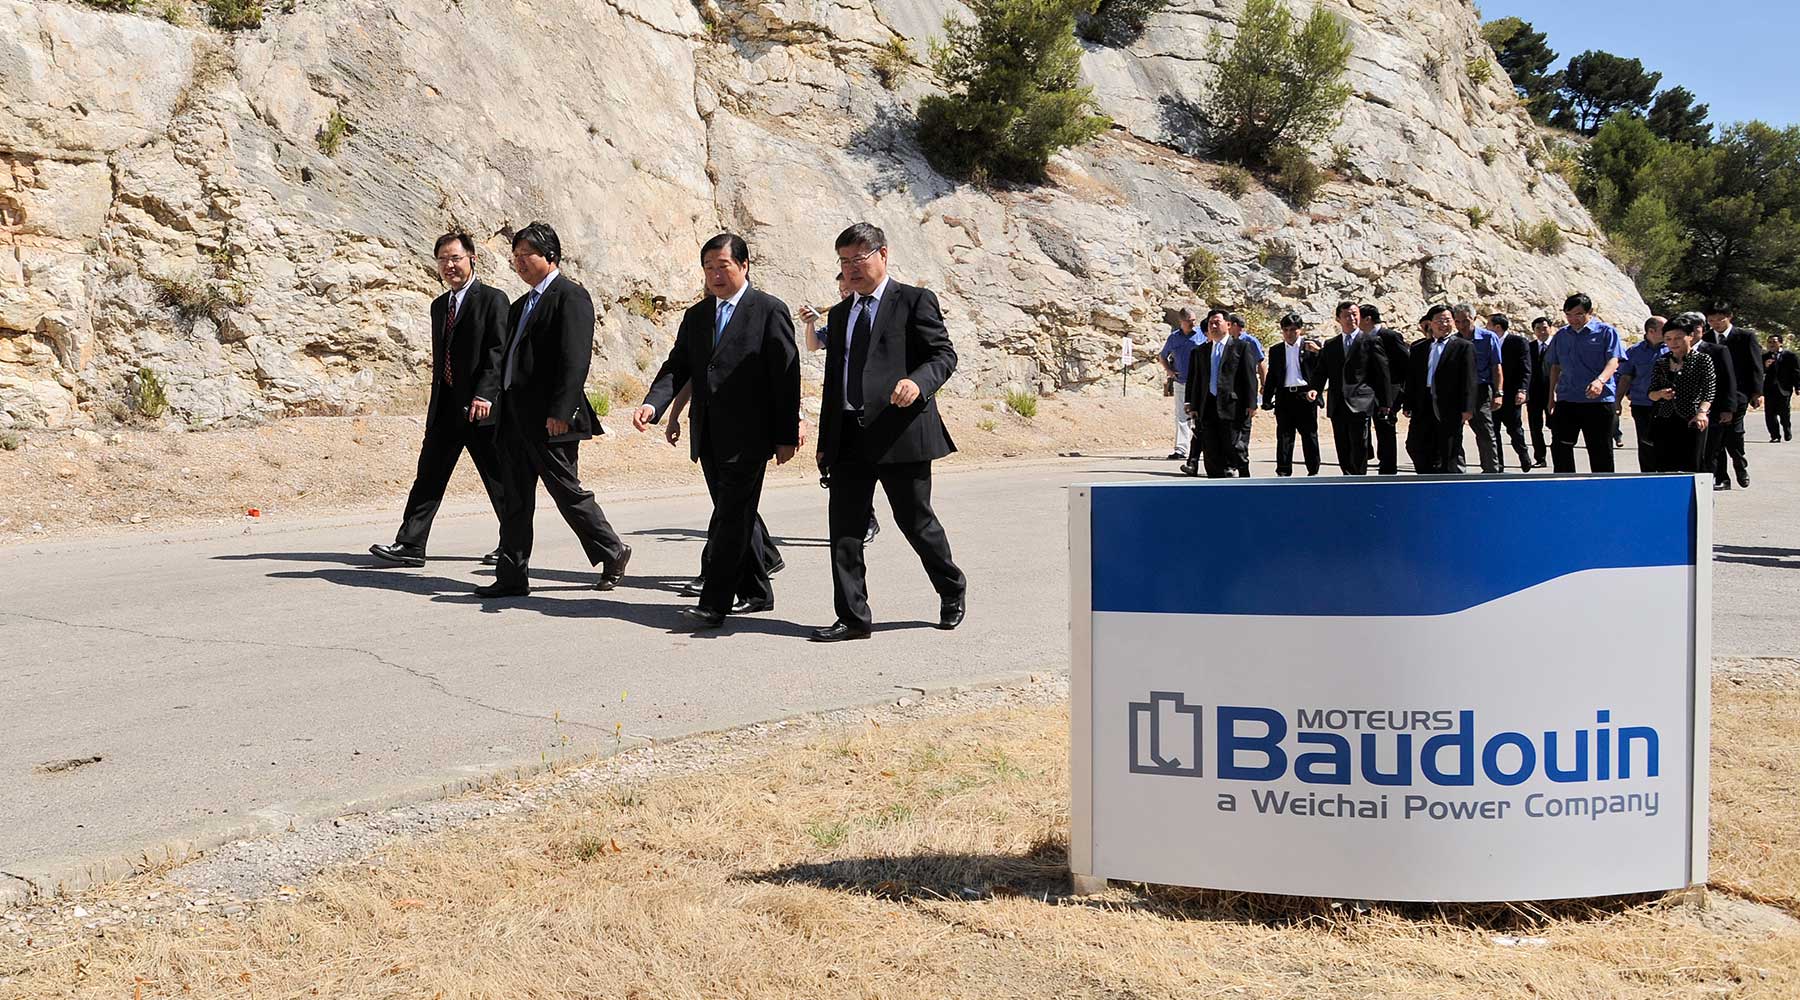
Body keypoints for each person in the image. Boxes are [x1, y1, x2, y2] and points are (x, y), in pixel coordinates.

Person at [635, 233, 801, 628]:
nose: (715, 275)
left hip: (750, 436)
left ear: (744, 265)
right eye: (708, 268)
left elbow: (786, 376)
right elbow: (679, 365)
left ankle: (715, 603)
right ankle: (758, 591)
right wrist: (654, 404)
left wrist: (786, 434)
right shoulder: (697, 316)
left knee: (731, 517)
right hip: (707, 433)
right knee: (734, 515)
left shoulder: (769, 310)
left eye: (723, 266)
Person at [812, 223, 965, 642]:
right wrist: (827, 442)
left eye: (858, 259)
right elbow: (834, 381)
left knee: (916, 522)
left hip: (900, 432)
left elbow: (943, 355)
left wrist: (918, 382)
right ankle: (853, 617)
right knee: (844, 530)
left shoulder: (914, 301)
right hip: (848, 436)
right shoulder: (841, 313)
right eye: (843, 262)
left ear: (882, 254)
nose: (851, 269)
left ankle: (951, 587)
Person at [477, 222, 632, 598]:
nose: (519, 263)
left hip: (551, 419)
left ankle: (612, 551)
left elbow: (574, 360)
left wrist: (560, 410)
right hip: (515, 417)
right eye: (514, 257)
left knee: (566, 492)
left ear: (550, 256)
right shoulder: (520, 306)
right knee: (514, 499)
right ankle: (512, 576)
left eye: (525, 255)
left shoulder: (570, 297)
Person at [371, 233, 510, 568]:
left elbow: (498, 351)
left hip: (481, 408)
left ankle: (513, 545)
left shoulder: (493, 299)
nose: (450, 266)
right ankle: (410, 545)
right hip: (446, 407)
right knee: (429, 475)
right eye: (443, 260)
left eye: (455, 258)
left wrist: (485, 393)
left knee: (499, 479)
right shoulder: (439, 306)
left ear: (472, 259)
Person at [801, 274, 881, 546]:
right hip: (843, 412)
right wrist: (811, 323)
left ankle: (866, 519)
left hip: (875, 412)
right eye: (841, 290)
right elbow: (814, 345)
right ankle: (860, 524)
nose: (845, 293)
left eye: (848, 288)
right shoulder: (840, 318)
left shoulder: (875, 315)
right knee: (845, 475)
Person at [1544, 293, 1625, 473]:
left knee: (1600, 451)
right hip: (1568, 399)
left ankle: (1602, 491)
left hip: (1598, 402)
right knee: (1560, 447)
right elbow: (1555, 367)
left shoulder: (1606, 332)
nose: (1573, 319)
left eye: (1578, 314)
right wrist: (1551, 398)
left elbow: (1614, 360)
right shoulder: (1562, 336)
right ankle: (1565, 487)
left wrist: (1600, 380)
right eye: (1569, 314)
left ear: (1590, 312)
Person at [1309, 301, 1390, 475]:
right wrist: (1314, 388)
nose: (1351, 318)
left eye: (1354, 314)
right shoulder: (1331, 344)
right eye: (1347, 315)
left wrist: (1385, 402)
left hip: (1361, 401)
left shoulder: (1371, 341)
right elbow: (1321, 371)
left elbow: (1382, 373)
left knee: (1359, 443)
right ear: (1338, 319)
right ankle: (1346, 475)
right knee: (1342, 443)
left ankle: (1359, 478)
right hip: (1337, 402)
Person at [1185, 310, 1257, 478]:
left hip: (1232, 407)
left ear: (1229, 325)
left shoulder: (1241, 347)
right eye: (1211, 323)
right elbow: (1195, 380)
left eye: (1217, 322)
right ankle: (1215, 482)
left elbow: (1249, 377)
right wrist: (1192, 404)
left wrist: (1251, 403)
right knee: (1210, 450)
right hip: (1208, 406)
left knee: (1234, 448)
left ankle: (1243, 481)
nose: (1214, 326)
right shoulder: (1201, 351)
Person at [1646, 315, 1715, 473]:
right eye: (1668, 339)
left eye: (1678, 338)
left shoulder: (1703, 360)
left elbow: (1709, 390)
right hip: (1664, 419)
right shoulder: (1661, 362)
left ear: (1690, 336)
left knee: (1693, 467)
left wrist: (1702, 412)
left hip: (1692, 419)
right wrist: (1660, 394)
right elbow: (1651, 393)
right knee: (1664, 467)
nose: (1673, 343)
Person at [1704, 304, 1763, 488]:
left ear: (1729, 317)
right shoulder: (1706, 339)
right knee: (1715, 439)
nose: (1715, 324)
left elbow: (1755, 365)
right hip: (1713, 395)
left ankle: (1740, 464)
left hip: (1739, 394)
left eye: (1719, 320)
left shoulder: (1745, 337)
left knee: (1733, 436)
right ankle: (1722, 477)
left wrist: (1757, 392)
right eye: (1711, 321)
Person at [1263, 312, 1321, 476]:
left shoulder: (1311, 346)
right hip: (1285, 396)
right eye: (1286, 329)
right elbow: (1272, 376)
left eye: (1293, 329)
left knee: (1309, 434)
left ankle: (1313, 470)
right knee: (1284, 436)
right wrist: (1267, 399)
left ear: (1300, 330)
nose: (1289, 333)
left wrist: (1318, 352)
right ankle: (1283, 471)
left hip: (1305, 395)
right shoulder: (1276, 350)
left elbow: (1323, 369)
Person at [1451, 304, 1504, 473]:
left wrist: (1498, 392)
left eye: (1465, 321)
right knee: (1454, 432)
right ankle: (1458, 471)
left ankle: (1491, 471)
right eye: (1457, 321)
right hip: (1458, 391)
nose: (1462, 325)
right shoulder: (1453, 341)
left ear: (1474, 319)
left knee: (1485, 432)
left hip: (1480, 389)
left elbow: (1496, 367)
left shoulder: (1489, 338)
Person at [1430, 305, 1480, 473]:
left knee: (1450, 447)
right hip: (1425, 402)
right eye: (1439, 321)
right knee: (1418, 445)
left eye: (1448, 320)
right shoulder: (1421, 347)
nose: (1443, 324)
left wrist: (1468, 408)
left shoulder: (1463, 346)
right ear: (1430, 323)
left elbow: (1470, 379)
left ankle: (1450, 479)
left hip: (1451, 403)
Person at [1693, 315, 1741, 491]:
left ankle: (1720, 477)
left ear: (1702, 329)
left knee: (1714, 446)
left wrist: (1728, 408)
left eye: (1696, 328)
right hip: (1690, 407)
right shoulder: (1675, 352)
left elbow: (1729, 380)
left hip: (1715, 405)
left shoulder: (1717, 350)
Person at [1615, 316, 1667, 473]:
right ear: (1651, 331)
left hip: (1667, 405)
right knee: (1646, 444)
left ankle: (1666, 475)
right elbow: (1625, 377)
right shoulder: (1634, 351)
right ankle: (1648, 476)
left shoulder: (1672, 349)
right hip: (1642, 405)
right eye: (1664, 329)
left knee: (1666, 443)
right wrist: (1618, 400)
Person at [1360, 304, 1408, 474]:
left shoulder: (1390, 336)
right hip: (1366, 392)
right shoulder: (1361, 338)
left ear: (1367, 319)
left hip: (1389, 392)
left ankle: (1388, 468)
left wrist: (1400, 391)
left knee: (1385, 429)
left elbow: (1406, 363)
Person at [1158, 308, 1204, 461]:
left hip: (1199, 383)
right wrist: (1170, 371)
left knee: (1199, 416)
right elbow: (1162, 356)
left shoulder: (1201, 335)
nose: (1193, 323)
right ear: (1181, 321)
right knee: (1181, 415)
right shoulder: (1173, 338)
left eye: (1194, 320)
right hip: (1181, 382)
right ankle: (1181, 449)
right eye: (1190, 321)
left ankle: (1202, 448)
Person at [1491, 313, 1535, 471]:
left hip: (1512, 395)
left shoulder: (1518, 342)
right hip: (1493, 394)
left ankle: (1523, 455)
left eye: (1488, 325)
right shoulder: (1488, 342)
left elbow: (1526, 369)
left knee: (1514, 429)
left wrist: (1522, 390)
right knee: (1493, 432)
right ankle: (1498, 465)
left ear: (1497, 327)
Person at [1404, 311, 1446, 474]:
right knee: (1414, 444)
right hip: (1423, 401)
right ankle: (1424, 472)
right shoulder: (1418, 348)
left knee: (1443, 443)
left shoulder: (1459, 346)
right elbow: (1412, 377)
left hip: (1445, 402)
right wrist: (1408, 403)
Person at [1226, 313, 1267, 475]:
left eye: (1243, 327)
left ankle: (1241, 464)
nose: (1241, 330)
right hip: (1228, 392)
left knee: (1242, 430)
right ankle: (1231, 463)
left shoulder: (1250, 341)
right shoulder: (1224, 342)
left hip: (1245, 391)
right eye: (1239, 326)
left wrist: (1264, 385)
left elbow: (1261, 363)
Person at [1526, 316, 1554, 466]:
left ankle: (1558, 455)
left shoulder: (1556, 346)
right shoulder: (1529, 348)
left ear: (1550, 328)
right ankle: (1540, 458)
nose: (1542, 331)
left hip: (1553, 392)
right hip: (1534, 393)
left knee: (1555, 426)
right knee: (1535, 427)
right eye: (1538, 328)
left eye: (1544, 328)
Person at [1764, 332, 1798, 442]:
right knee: (1770, 414)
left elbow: (1796, 372)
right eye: (1769, 342)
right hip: (1769, 390)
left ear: (1781, 344)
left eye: (1774, 342)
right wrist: (1765, 367)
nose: (1771, 344)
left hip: (1784, 389)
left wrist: (1797, 386)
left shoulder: (1790, 356)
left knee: (1784, 413)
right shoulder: (1764, 357)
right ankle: (1775, 436)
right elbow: (1758, 373)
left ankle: (1787, 429)